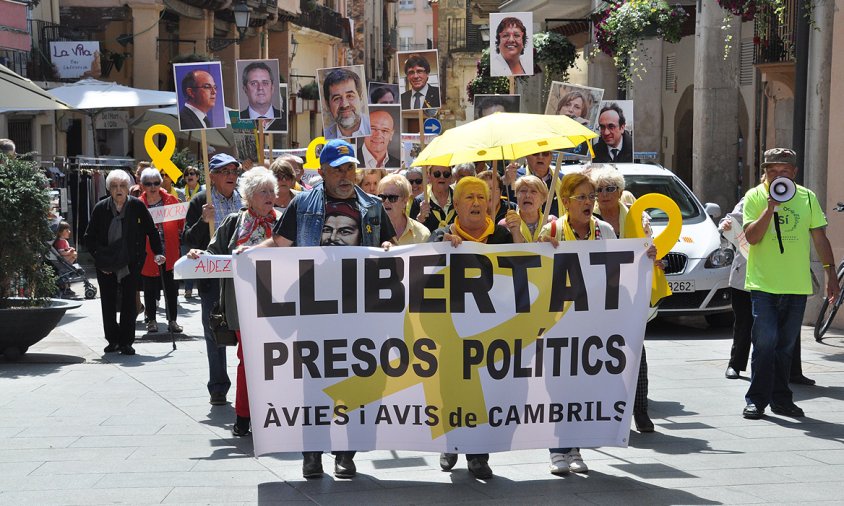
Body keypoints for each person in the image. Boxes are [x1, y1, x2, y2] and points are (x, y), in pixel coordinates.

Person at [254, 138, 396, 479]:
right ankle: (312, 455)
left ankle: (347, 454)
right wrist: (248, 255)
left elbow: (387, 243)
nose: (346, 175)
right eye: (338, 169)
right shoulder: (303, 204)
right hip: (315, 309)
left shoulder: (373, 206)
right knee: (314, 384)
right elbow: (280, 243)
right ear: (323, 172)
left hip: (361, 311)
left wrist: (390, 247)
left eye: (350, 167)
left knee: (360, 383)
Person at [741, 148, 839, 420]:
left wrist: (831, 274)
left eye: (784, 171)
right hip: (763, 284)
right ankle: (756, 400)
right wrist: (770, 207)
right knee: (765, 341)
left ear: (794, 173)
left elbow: (820, 238)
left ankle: (781, 399)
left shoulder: (807, 198)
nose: (778, 175)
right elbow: (751, 237)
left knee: (785, 345)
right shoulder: (754, 196)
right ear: (765, 173)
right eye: (772, 171)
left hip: (795, 285)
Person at [187, 167, 282, 438]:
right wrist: (199, 254)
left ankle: (274, 414)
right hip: (243, 303)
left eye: (271, 191)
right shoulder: (233, 221)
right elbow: (214, 253)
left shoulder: (284, 222)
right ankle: (243, 416)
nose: (269, 196)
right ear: (249, 196)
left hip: (280, 306)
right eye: (263, 191)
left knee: (275, 361)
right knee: (248, 358)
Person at [433, 176, 513, 480]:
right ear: (456, 205)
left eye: (482, 197)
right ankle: (451, 443)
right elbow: (421, 274)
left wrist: (521, 236)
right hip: (451, 333)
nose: (477, 203)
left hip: (492, 334)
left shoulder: (503, 237)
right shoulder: (442, 235)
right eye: (469, 198)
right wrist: (442, 250)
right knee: (451, 389)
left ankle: (479, 455)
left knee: (486, 391)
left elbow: (530, 269)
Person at [591, 165, 655, 433]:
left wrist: (652, 253)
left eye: (609, 189)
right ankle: (604, 411)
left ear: (619, 192)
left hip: (630, 296)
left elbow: (651, 248)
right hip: (596, 297)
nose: (603, 195)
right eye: (598, 190)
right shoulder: (587, 217)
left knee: (636, 353)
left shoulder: (637, 219)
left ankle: (639, 410)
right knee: (598, 354)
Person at [183, 153, 244, 406]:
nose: (231, 175)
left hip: (242, 277)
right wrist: (202, 221)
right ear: (213, 176)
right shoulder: (201, 201)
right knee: (214, 330)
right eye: (225, 171)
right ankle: (218, 386)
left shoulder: (244, 199)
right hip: (212, 278)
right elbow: (187, 239)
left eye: (234, 171)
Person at [84, 169, 164, 356]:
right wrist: (101, 260)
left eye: (122, 186)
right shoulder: (101, 208)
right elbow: (89, 238)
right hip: (106, 263)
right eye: (114, 186)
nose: (118, 190)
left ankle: (127, 342)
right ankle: (113, 341)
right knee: (108, 302)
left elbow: (151, 231)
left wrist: (158, 253)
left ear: (128, 188)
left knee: (129, 302)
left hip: (131, 261)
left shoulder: (137, 206)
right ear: (109, 189)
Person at [138, 168, 184, 334]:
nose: (152, 187)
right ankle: (151, 320)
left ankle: (172, 321)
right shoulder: (138, 203)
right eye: (148, 183)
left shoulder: (171, 200)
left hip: (169, 252)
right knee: (149, 288)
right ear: (142, 185)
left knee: (171, 288)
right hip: (148, 253)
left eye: (156, 183)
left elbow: (181, 224)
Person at [377, 173, 430, 244]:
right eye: (382, 197)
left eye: (392, 198)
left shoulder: (422, 233)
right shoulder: (372, 232)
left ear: (405, 201)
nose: (386, 201)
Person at [500, 175, 554, 243]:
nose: (527, 195)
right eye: (523, 191)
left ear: (543, 199)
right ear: (516, 195)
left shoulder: (553, 223)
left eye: (533, 191)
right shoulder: (506, 224)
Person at [322, 67, 370, 139]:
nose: (344, 104)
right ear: (327, 104)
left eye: (350, 96)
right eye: (337, 98)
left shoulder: (374, 129)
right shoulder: (324, 137)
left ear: (361, 98)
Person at [239, 61, 286, 131]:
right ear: (245, 89)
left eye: (265, 83)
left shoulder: (284, 120)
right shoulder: (239, 120)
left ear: (272, 88)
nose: (260, 88)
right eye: (254, 83)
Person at [411, 165, 454, 232]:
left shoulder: (459, 199)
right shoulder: (419, 201)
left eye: (446, 174)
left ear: (451, 177)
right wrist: (420, 218)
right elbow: (412, 233)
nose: (442, 177)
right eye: (437, 174)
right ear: (429, 177)